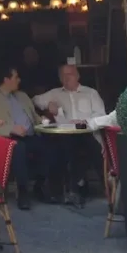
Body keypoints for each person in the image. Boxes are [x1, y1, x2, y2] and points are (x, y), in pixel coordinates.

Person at [0, 66, 59, 210]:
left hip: (30, 136)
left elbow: (34, 117)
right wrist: (11, 129)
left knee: (50, 146)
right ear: (6, 80)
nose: (19, 80)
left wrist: (43, 120)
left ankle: (40, 186)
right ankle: (23, 191)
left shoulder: (22, 96)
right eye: (16, 77)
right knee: (19, 148)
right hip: (9, 139)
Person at [33, 64, 106, 202]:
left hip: (88, 133)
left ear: (78, 76)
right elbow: (35, 100)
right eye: (63, 75)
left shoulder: (90, 93)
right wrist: (49, 106)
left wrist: (83, 122)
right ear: (60, 79)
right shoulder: (55, 93)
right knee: (62, 146)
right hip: (66, 135)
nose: (67, 78)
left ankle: (106, 187)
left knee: (92, 147)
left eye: (70, 74)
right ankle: (73, 188)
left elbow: (101, 116)